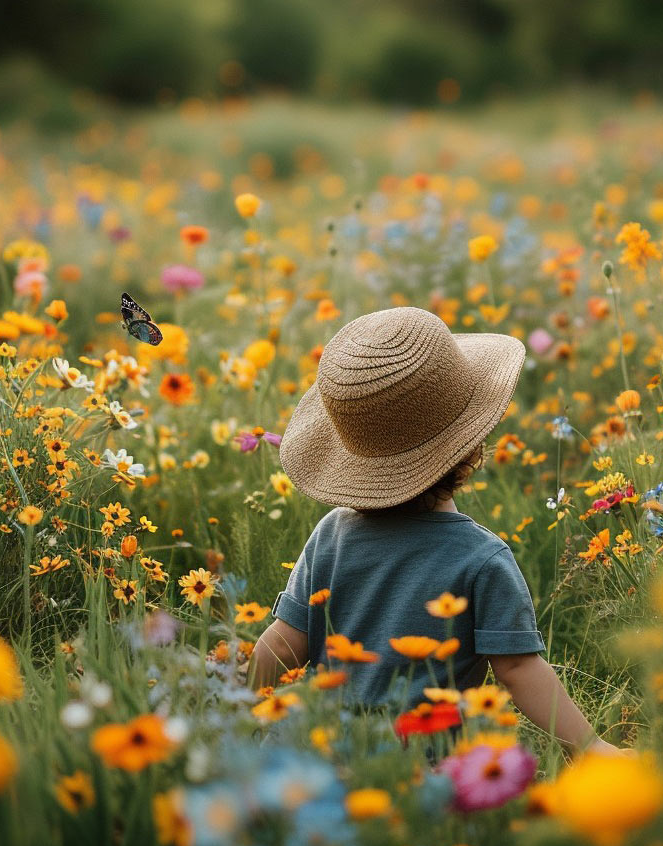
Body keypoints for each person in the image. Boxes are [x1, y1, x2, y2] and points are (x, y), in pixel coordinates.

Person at [251, 306, 623, 756]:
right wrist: (592, 747)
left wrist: (237, 715)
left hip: (309, 755)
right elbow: (519, 668)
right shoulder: (481, 559)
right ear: (469, 450)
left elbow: (283, 645)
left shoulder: (331, 534)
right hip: (414, 769)